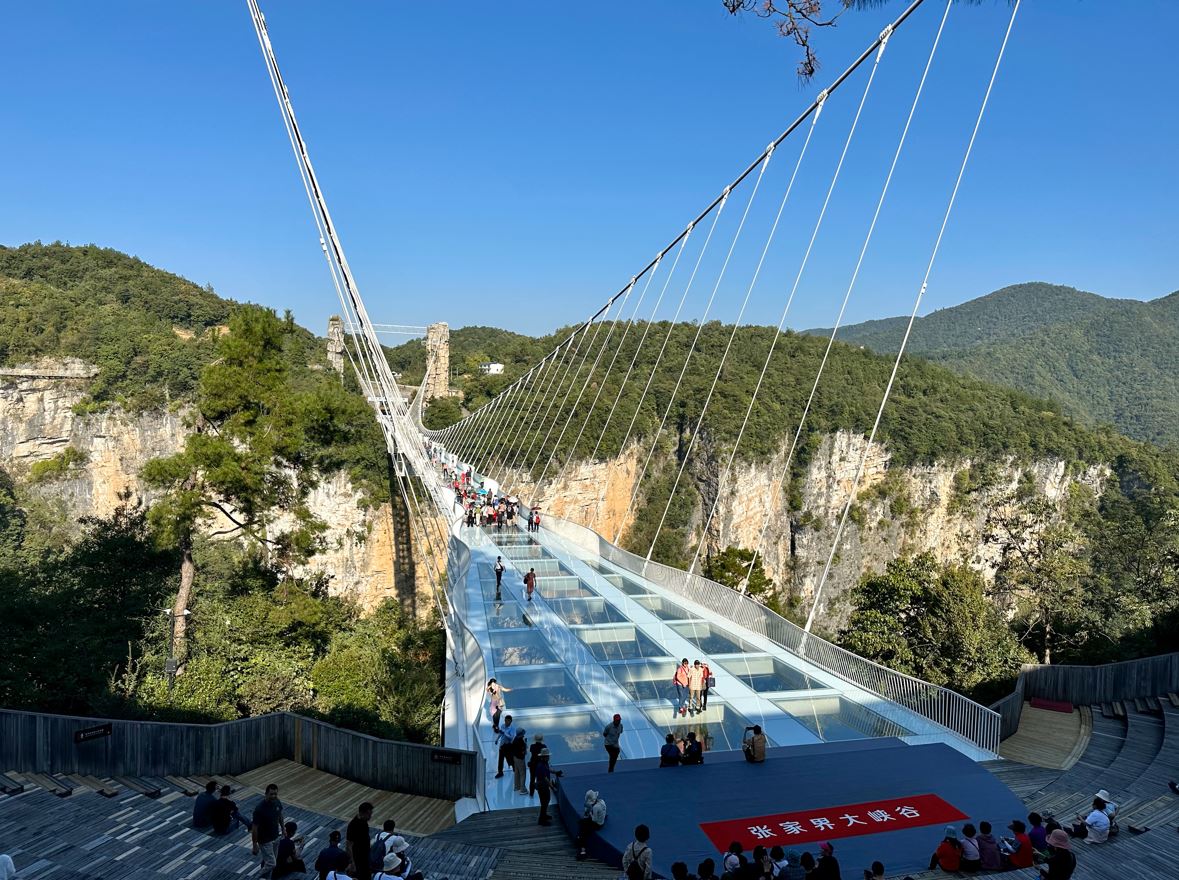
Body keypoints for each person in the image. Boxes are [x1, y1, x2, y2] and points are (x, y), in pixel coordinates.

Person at [252, 784, 285, 878]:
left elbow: (280, 815)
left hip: (275, 836)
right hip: (264, 840)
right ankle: (257, 877)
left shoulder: (277, 802)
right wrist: (254, 844)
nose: (273, 796)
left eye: (275, 794)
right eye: (271, 794)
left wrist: (283, 829)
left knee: (270, 863)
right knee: (272, 863)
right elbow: (254, 828)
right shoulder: (259, 809)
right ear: (266, 794)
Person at [345, 801, 374, 880]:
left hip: (365, 857)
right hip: (358, 859)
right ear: (362, 813)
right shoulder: (353, 825)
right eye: (369, 814)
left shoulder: (364, 822)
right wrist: (352, 862)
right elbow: (348, 845)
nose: (370, 816)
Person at [576, 789, 608, 860]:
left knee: (583, 831)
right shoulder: (602, 801)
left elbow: (594, 820)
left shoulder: (595, 807)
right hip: (601, 819)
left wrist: (590, 813)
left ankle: (583, 850)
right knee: (583, 822)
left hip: (597, 824)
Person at [534, 747, 553, 825]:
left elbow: (548, 770)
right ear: (543, 757)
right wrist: (552, 787)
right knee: (544, 802)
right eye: (547, 756)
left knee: (546, 800)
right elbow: (545, 779)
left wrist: (555, 772)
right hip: (542, 786)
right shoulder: (541, 766)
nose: (548, 757)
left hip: (544, 786)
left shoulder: (544, 763)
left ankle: (544, 815)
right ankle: (541, 820)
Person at [511, 727, 529, 794]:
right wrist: (525, 744)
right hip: (520, 759)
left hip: (515, 757)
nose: (524, 735)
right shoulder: (520, 741)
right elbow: (524, 751)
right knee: (523, 773)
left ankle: (517, 786)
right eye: (523, 734)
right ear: (521, 734)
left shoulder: (515, 739)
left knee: (517, 772)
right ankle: (522, 789)